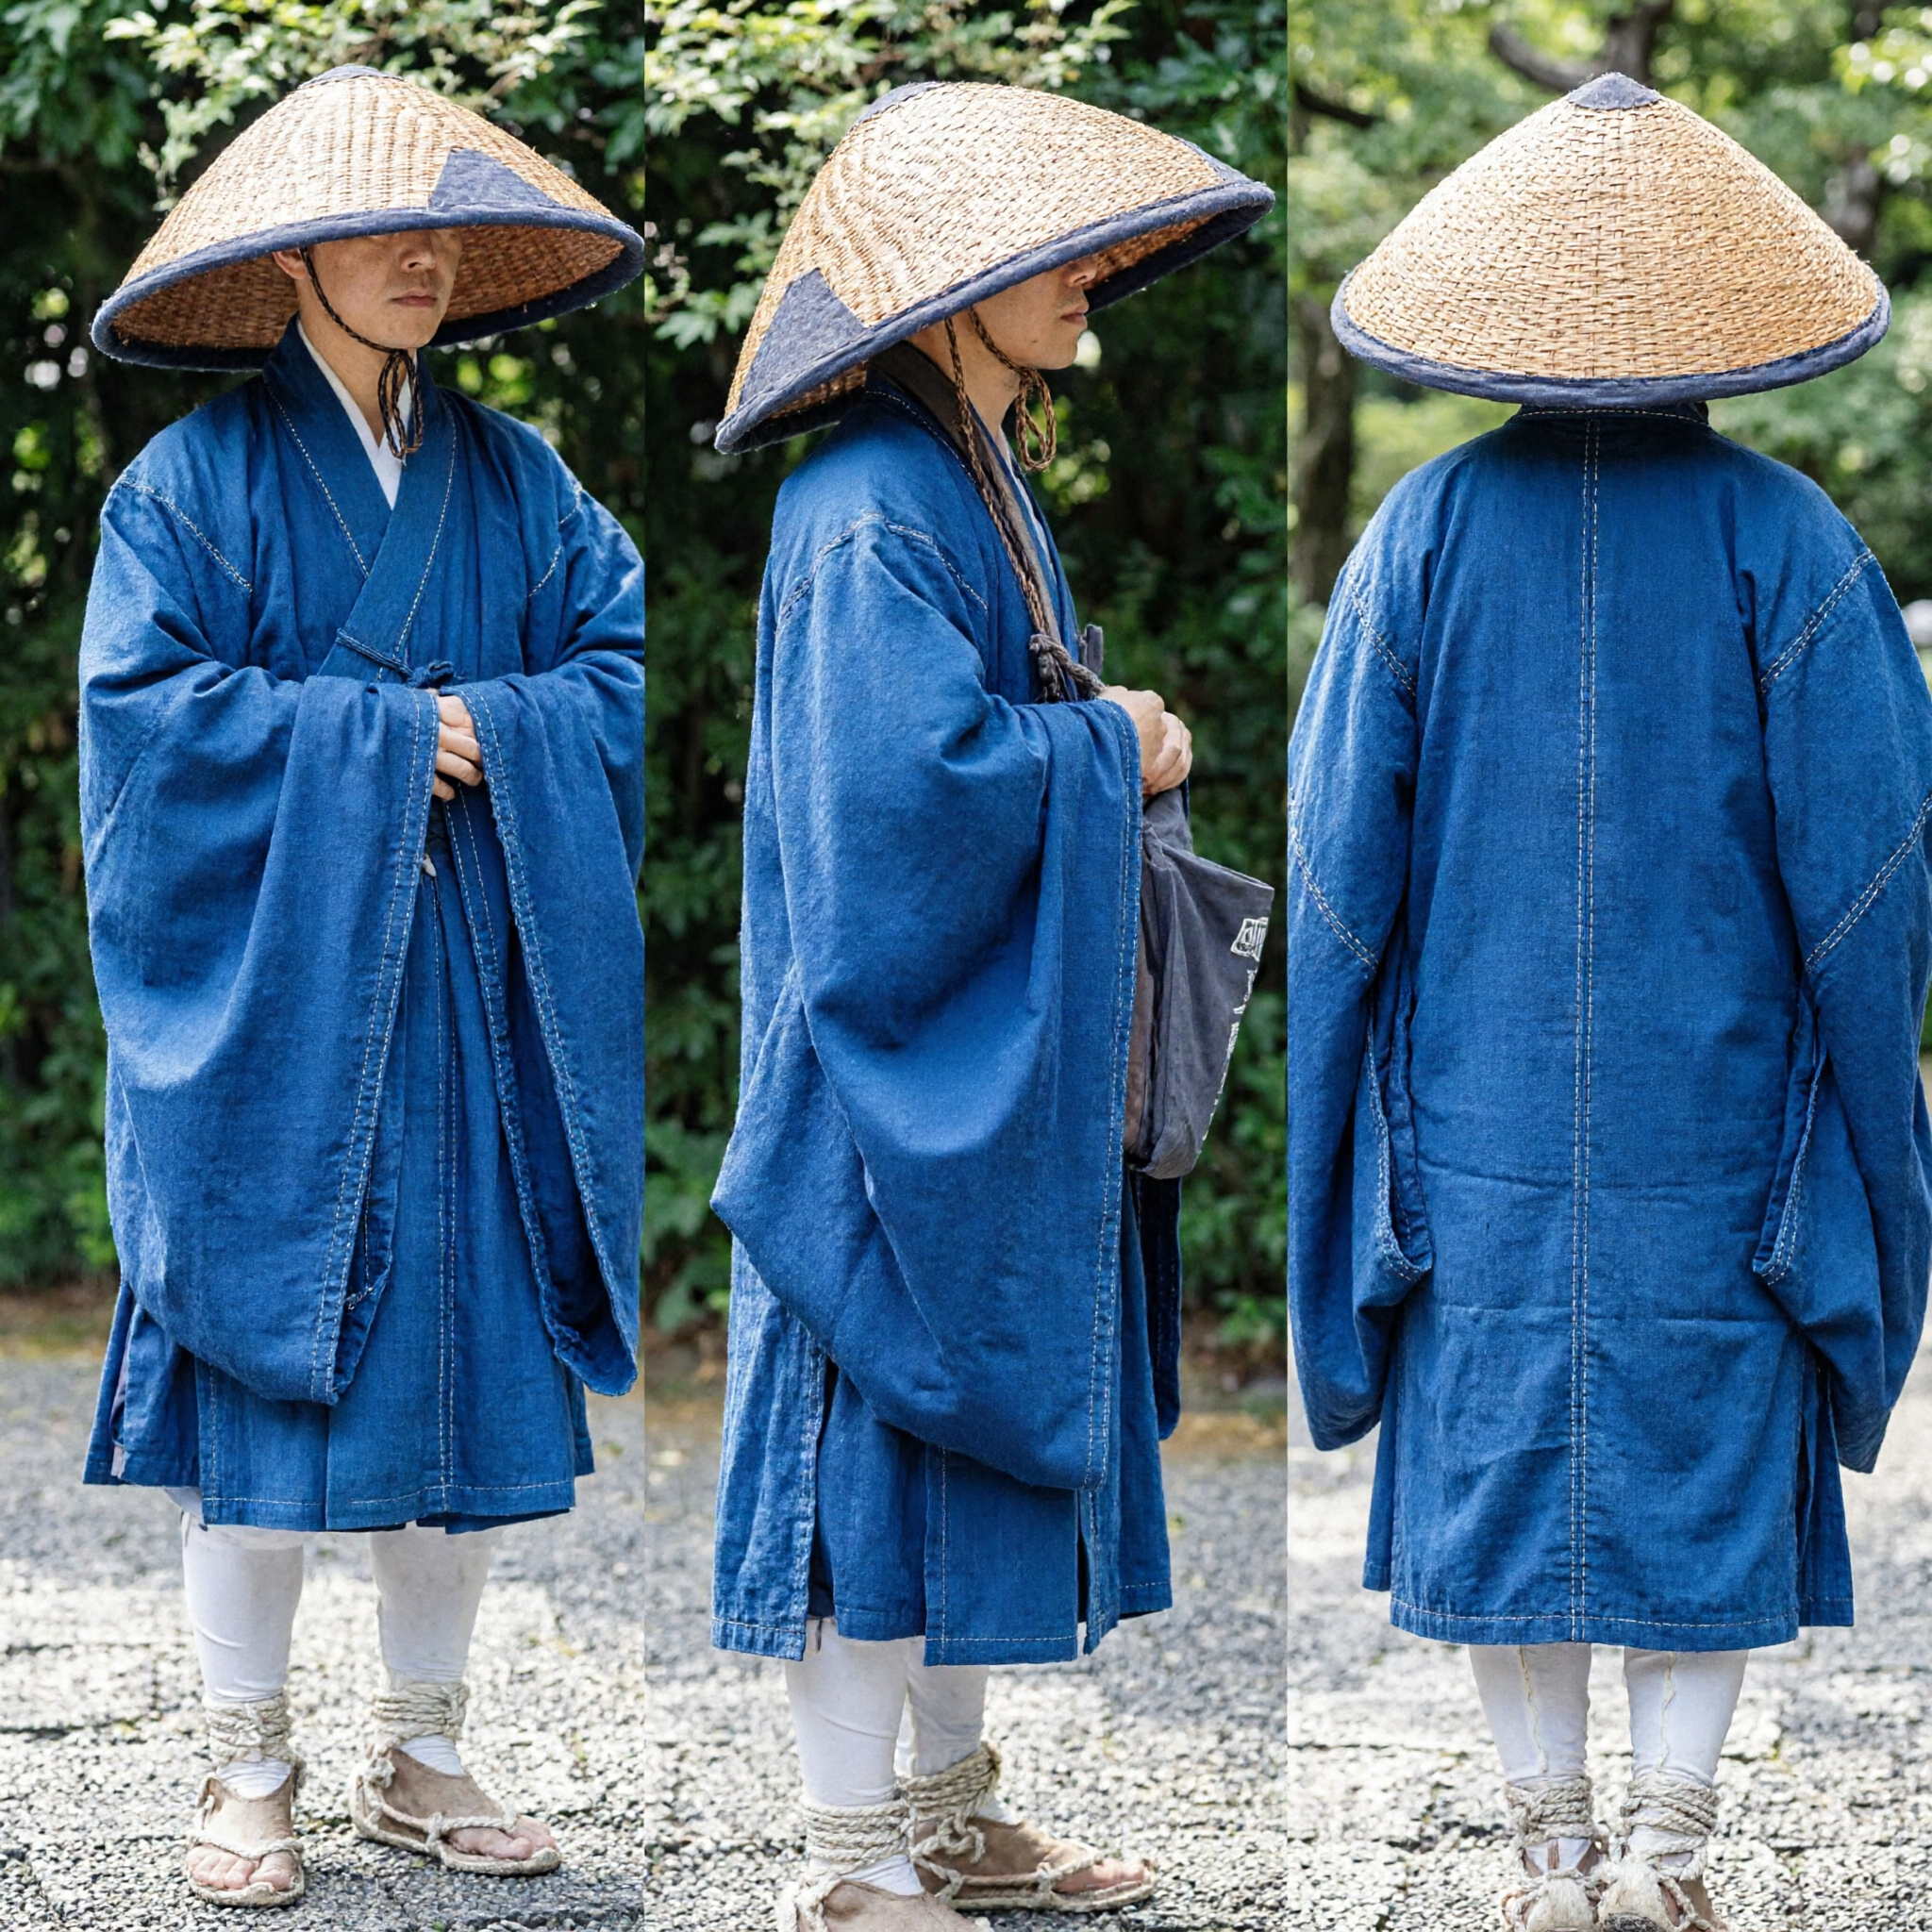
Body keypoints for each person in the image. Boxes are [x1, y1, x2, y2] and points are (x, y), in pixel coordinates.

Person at [1291, 73, 1932, 1932]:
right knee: (1704, 1448)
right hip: (1715, 1092)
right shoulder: (1789, 538)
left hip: (1473, 1089)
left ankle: (1547, 1847)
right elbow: (1874, 875)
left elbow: (1338, 879)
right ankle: (1666, 1852)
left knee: (1502, 1450)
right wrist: (1866, 1108)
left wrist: (1349, 1100)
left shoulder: (1415, 534)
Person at [705, 80, 1274, 1931]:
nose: (1095, 271)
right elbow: (897, 796)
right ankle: (852, 1861)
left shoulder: (970, 463)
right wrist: (1107, 743)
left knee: (939, 1452)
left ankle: (945, 1813)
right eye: (1057, 255)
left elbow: (983, 739)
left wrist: (1095, 745)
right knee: (865, 1433)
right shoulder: (870, 492)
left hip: (966, 1039)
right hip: (877, 1062)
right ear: (953, 282)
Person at [79, 66, 644, 1906]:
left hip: (466, 995)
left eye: (439, 229)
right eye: (377, 227)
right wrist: (387, 742)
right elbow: (146, 730)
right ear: (286, 260)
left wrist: (513, 726)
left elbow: (612, 665)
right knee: (263, 1365)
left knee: (457, 1378)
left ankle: (428, 1748)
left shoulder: (518, 479)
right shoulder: (191, 485)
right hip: (276, 1006)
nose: (420, 255)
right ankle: (245, 1763)